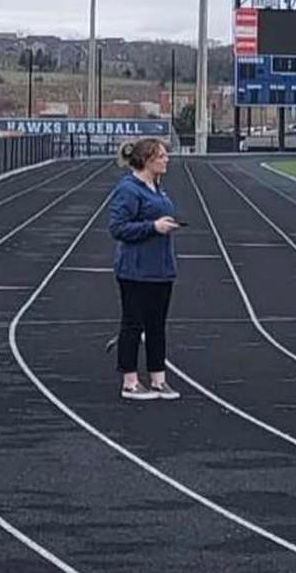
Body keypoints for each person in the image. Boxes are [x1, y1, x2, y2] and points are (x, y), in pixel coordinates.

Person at [108, 138, 180, 400]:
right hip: (136, 271)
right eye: (161, 156)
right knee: (132, 324)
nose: (167, 159)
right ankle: (130, 381)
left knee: (157, 325)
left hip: (161, 269)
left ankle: (158, 379)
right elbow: (117, 227)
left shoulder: (158, 188)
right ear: (148, 160)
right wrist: (153, 227)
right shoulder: (128, 190)